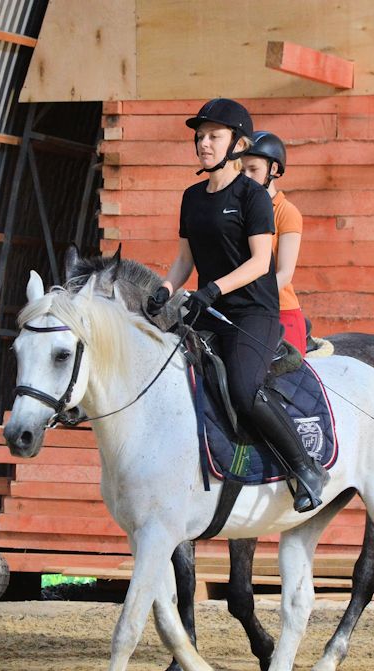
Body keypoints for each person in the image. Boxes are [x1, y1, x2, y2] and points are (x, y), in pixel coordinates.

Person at [144, 98, 327, 512]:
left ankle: (305, 467)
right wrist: (163, 291)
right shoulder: (191, 197)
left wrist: (213, 290)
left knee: (244, 391)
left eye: (214, 136)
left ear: (238, 143)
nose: (204, 144)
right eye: (200, 136)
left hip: (252, 314)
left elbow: (261, 262)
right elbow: (184, 262)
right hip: (206, 312)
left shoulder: (252, 196)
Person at [240, 131, 307, 355]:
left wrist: (245, 298)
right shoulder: (238, 212)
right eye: (241, 171)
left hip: (280, 312)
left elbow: (285, 273)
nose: (246, 177)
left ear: (274, 170)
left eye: (253, 169)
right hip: (243, 311)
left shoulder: (287, 213)